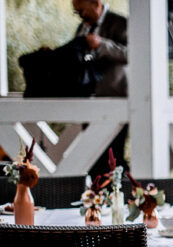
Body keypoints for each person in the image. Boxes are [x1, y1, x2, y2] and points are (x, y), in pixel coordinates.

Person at [71, 0, 129, 177]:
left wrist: (101, 45)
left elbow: (132, 52)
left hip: (115, 95)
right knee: (91, 154)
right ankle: (96, 198)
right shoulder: (82, 27)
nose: (80, 16)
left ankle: (121, 196)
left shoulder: (120, 23)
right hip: (89, 98)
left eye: (81, 11)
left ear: (95, 3)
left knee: (114, 155)